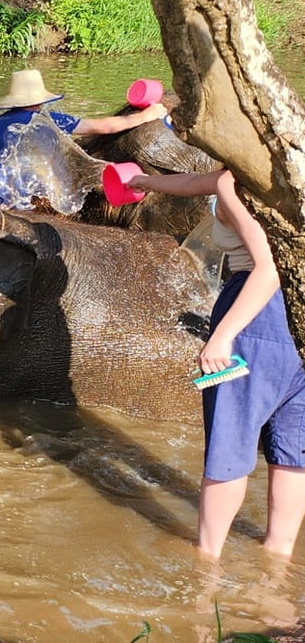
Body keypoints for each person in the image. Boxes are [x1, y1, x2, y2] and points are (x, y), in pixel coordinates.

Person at [127, 168, 305, 560]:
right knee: (293, 451)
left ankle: (206, 564)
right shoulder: (289, 169)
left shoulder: (235, 182)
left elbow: (269, 268)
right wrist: (146, 182)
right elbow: (194, 183)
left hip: (257, 317)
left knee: (230, 441)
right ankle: (277, 561)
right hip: (300, 318)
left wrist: (223, 335)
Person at [0, 69, 166, 204]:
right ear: (40, 99)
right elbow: (104, 127)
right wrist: (146, 116)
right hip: (12, 202)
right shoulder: (46, 120)